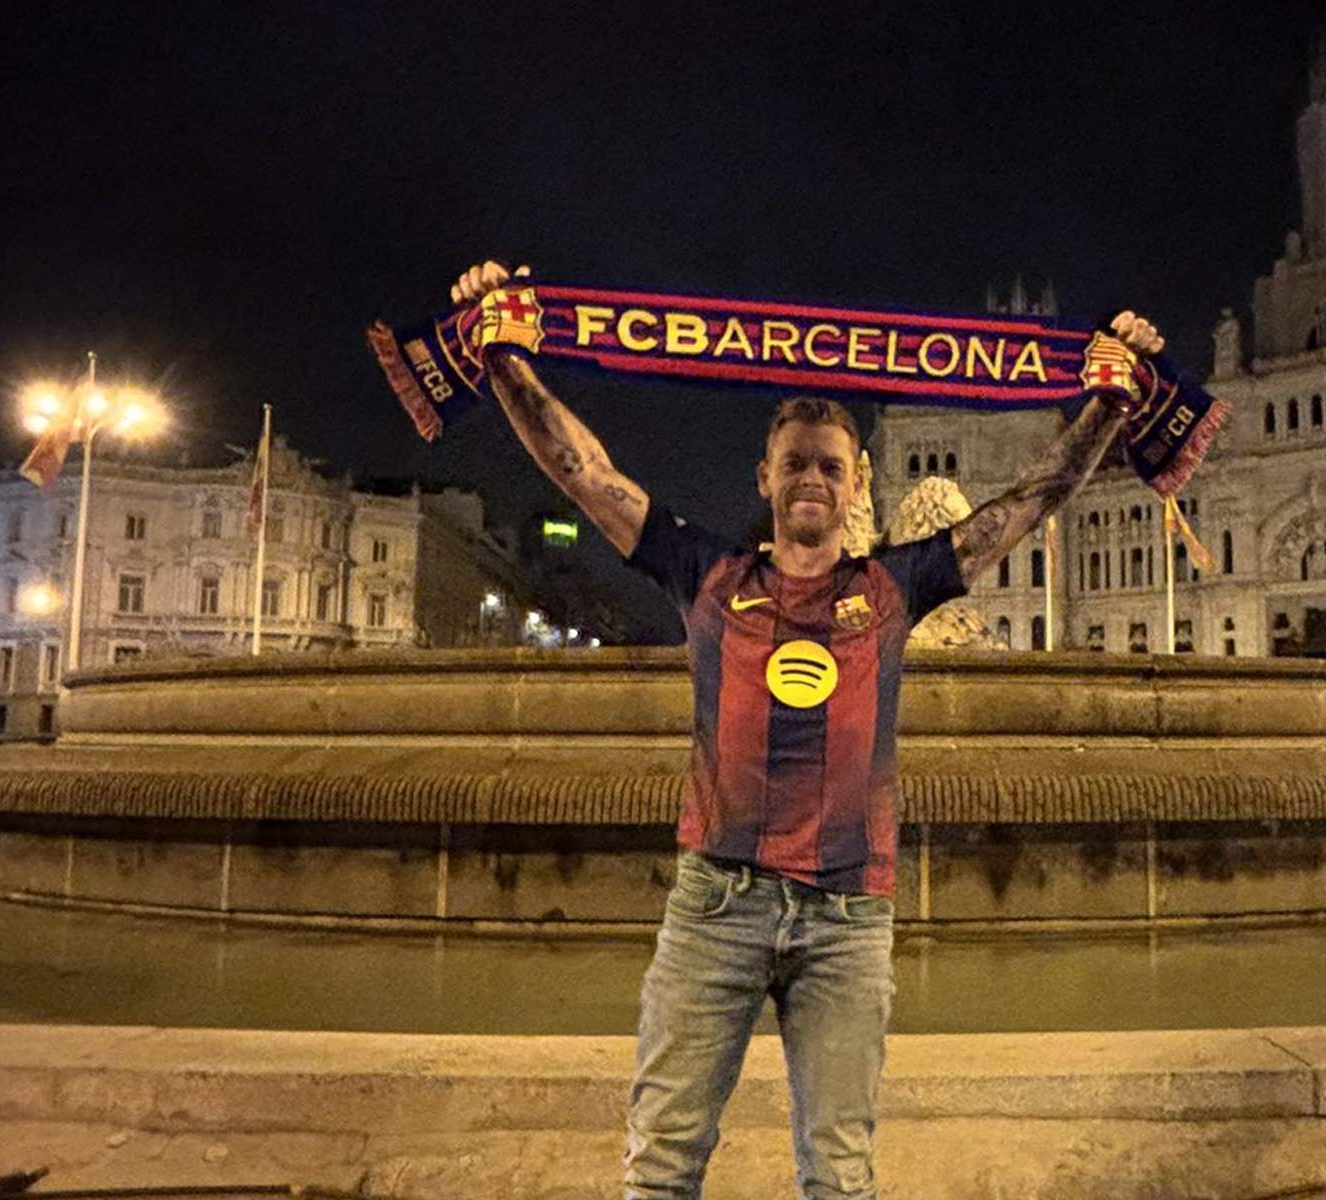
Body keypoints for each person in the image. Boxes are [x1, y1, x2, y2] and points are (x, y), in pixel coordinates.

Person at [451, 260, 1167, 1199]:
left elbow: (1029, 502)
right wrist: (505, 361)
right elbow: (585, 474)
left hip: (847, 916)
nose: (812, 480)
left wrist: (1109, 404)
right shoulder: (708, 573)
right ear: (766, 476)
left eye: (831, 465)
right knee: (661, 1166)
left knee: (839, 1178)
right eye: (795, 463)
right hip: (716, 904)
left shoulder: (893, 587)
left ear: (859, 482)